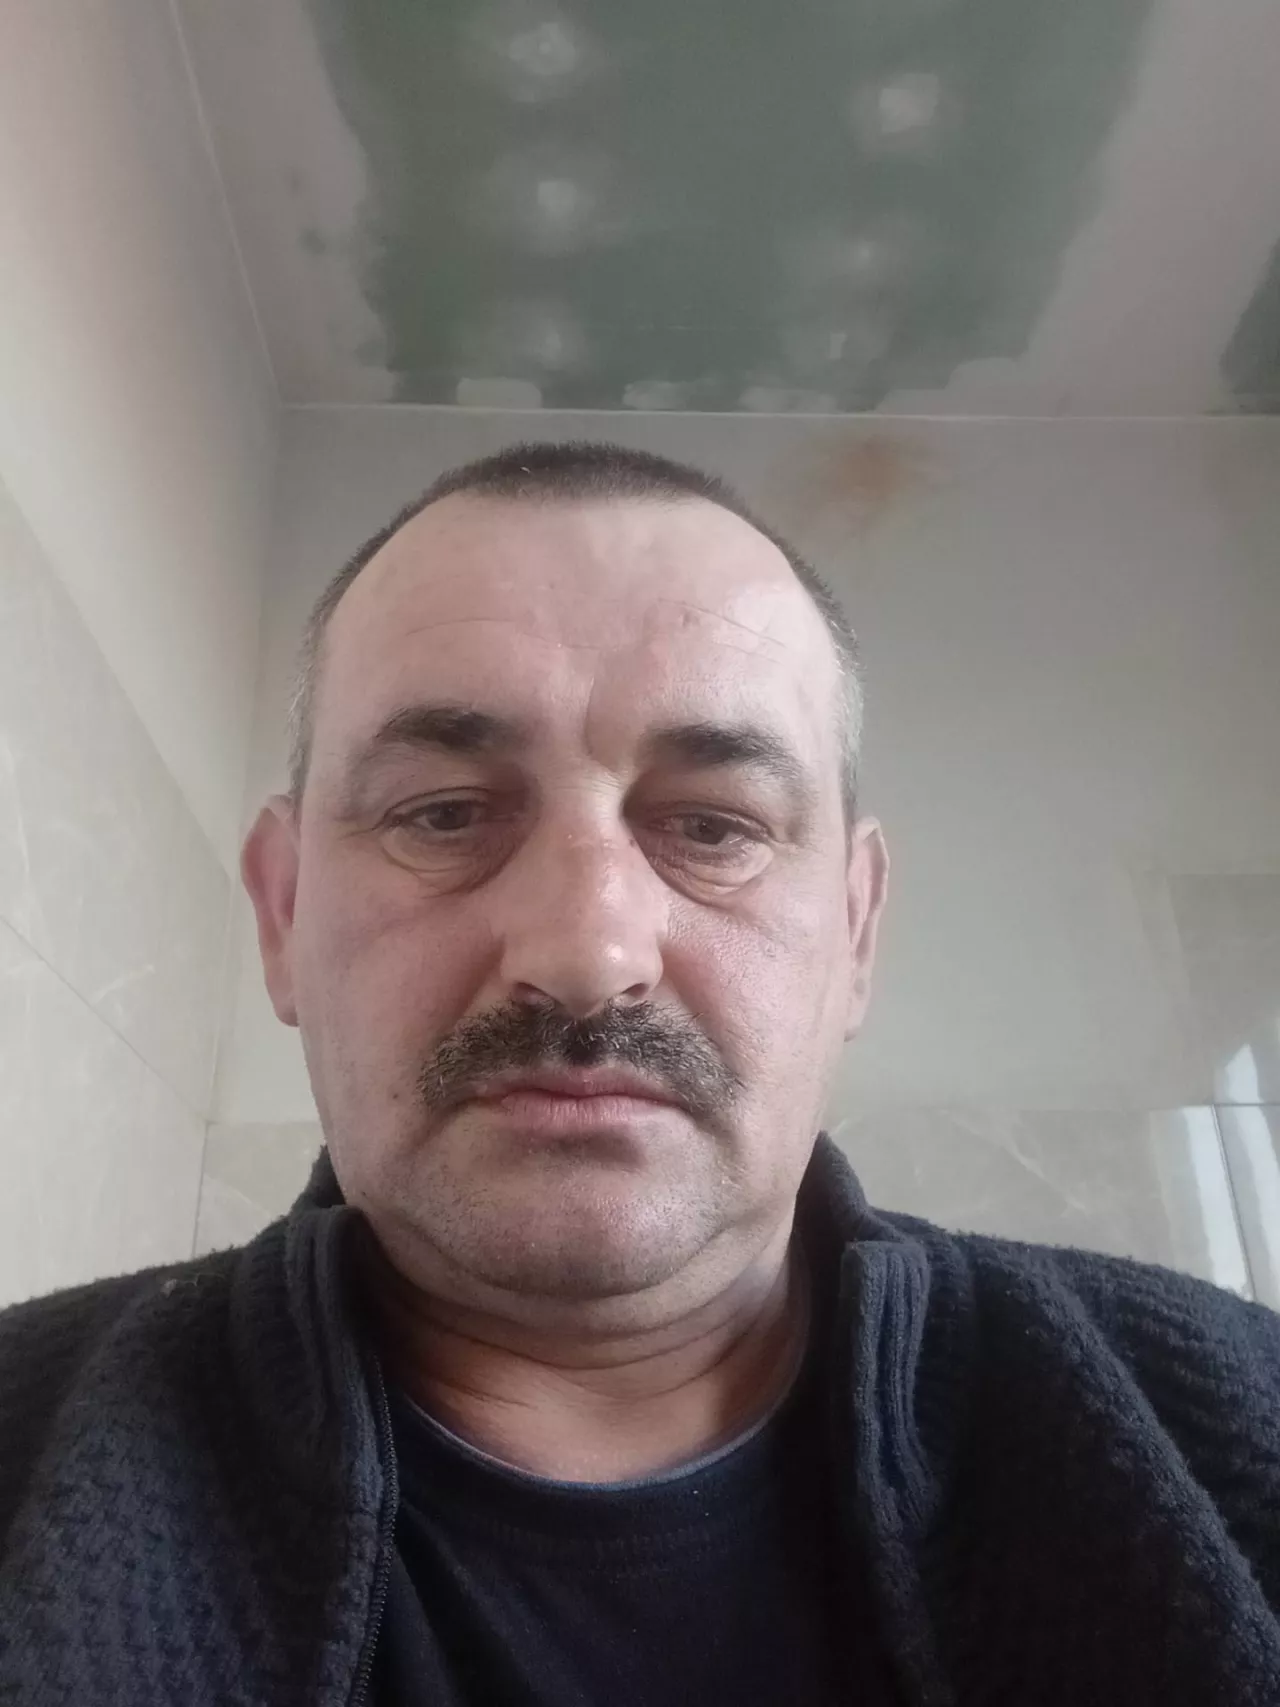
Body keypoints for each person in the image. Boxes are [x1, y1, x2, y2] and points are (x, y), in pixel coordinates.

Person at [0, 440, 1277, 1707]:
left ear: (855, 929)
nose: (585, 954)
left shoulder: (1235, 1422)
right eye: (444, 813)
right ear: (282, 915)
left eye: (713, 827)